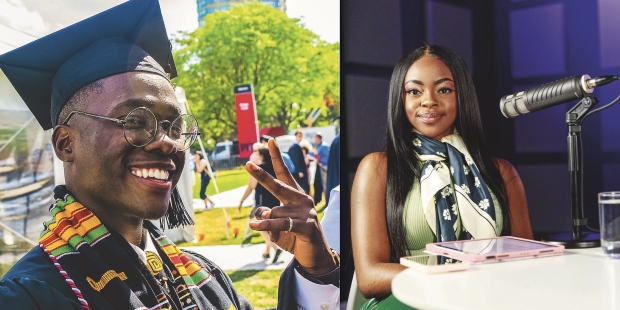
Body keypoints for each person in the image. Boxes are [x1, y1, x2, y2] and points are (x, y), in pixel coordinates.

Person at [0, 1, 339, 309]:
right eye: (135, 120)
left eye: (175, 127)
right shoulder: (31, 296)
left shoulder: (205, 279)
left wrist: (316, 271)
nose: (167, 143)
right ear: (65, 144)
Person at [351, 45, 533, 309]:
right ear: (400, 99)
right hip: (408, 299)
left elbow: (528, 262)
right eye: (415, 91)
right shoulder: (378, 168)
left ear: (462, 97)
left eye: (444, 89)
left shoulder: (502, 173)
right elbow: (369, 277)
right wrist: (451, 277)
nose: (429, 100)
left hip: (487, 297)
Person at [238, 147, 283, 263]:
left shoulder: (258, 169)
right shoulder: (274, 168)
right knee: (269, 226)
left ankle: (275, 248)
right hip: (274, 201)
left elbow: (251, 186)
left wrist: (242, 200)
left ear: (262, 155)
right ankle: (267, 252)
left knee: (260, 225)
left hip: (262, 202)